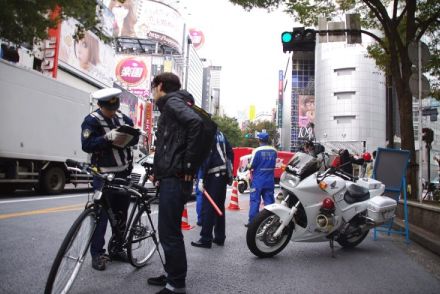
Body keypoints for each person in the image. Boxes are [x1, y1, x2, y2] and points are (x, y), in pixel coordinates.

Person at [147, 73, 203, 294]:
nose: (152, 92)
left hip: (176, 177)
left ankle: (176, 284)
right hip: (172, 176)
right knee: (170, 230)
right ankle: (172, 275)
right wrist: (158, 171)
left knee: (169, 232)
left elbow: (196, 123)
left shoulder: (172, 103)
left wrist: (187, 165)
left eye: (153, 88)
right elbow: (171, 144)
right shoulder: (176, 103)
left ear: (160, 86)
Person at [81, 87, 139, 271]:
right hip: (102, 174)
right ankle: (97, 254)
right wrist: (106, 138)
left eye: (114, 108)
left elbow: (134, 140)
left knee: (121, 214)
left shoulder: (123, 119)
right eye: (109, 110)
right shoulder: (92, 121)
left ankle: (117, 248)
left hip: (122, 173)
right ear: (100, 106)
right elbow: (87, 145)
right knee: (101, 216)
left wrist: (132, 136)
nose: (112, 113)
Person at [191, 130, 233, 248]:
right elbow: (230, 153)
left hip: (213, 176)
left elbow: (206, 157)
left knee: (209, 207)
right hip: (222, 176)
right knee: (219, 206)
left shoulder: (207, 134)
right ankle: (220, 237)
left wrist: (201, 178)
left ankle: (206, 238)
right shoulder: (221, 134)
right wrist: (229, 172)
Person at [246, 132, 277, 226]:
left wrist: (248, 165)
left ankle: (253, 223)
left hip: (258, 180)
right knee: (269, 202)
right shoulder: (274, 151)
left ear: (259, 140)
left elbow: (251, 165)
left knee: (255, 201)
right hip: (270, 180)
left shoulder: (257, 151)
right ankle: (270, 222)